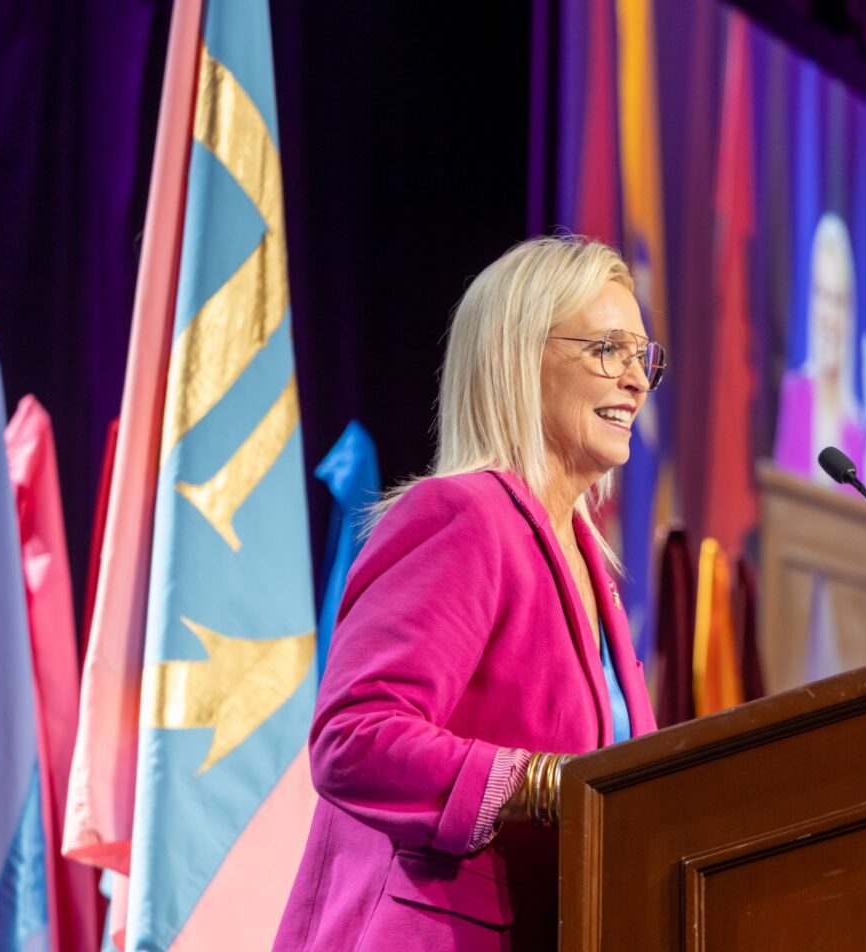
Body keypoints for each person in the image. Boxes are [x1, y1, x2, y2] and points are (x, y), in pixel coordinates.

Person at [273, 236, 663, 951]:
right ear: (518, 357)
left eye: (643, 357)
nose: (636, 380)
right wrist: (538, 784)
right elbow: (352, 735)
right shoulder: (464, 517)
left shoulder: (590, 568)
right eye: (609, 349)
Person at [774, 213, 866, 483]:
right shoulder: (793, 395)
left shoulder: (859, 433)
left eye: (837, 300)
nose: (828, 315)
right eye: (821, 295)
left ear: (850, 313)